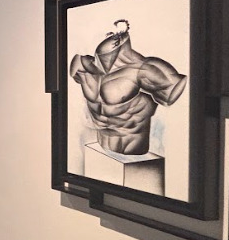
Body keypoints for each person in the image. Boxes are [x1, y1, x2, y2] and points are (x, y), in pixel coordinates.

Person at [70, 19, 187, 155]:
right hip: (99, 148)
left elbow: (177, 96)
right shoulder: (82, 65)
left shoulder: (145, 70)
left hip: (132, 152)